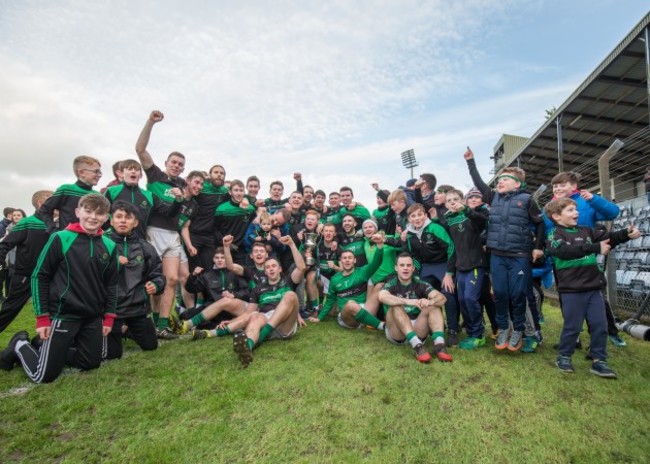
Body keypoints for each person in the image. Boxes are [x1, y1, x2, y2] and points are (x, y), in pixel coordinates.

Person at [0, 194, 118, 383]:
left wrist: (109, 317)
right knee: (43, 376)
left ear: (106, 217)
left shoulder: (110, 245)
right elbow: (40, 276)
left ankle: (47, 348)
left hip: (92, 316)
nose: (93, 217)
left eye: (99, 213)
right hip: (63, 314)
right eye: (88, 211)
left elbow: (111, 284)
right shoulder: (60, 238)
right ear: (78, 212)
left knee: (91, 363)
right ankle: (20, 344)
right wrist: (42, 318)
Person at [545, 197, 640, 378]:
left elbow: (609, 238)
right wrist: (595, 248)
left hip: (593, 289)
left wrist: (627, 233)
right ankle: (564, 356)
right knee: (572, 327)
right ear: (557, 216)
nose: (577, 213)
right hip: (571, 290)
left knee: (600, 325)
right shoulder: (554, 235)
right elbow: (563, 252)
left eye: (576, 209)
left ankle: (599, 361)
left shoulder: (587, 230)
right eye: (571, 210)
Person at [465, 147, 544, 352]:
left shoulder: (527, 200)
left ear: (517, 184)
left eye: (505, 179)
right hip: (497, 255)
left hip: (519, 255)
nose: (500, 182)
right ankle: (502, 328)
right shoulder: (493, 198)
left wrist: (537, 248)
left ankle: (518, 329)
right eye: (499, 179)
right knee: (499, 292)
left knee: (518, 294)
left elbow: (541, 224)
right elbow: (479, 183)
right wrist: (471, 162)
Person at [542, 171, 624, 347]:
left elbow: (613, 213)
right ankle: (574, 336)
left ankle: (609, 331)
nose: (557, 188)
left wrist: (594, 199)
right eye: (555, 186)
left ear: (574, 186)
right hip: (564, 258)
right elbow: (544, 227)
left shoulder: (586, 202)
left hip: (590, 255)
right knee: (566, 295)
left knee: (597, 294)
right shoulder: (551, 206)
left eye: (562, 185)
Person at [135, 110, 187, 339]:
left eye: (180, 164)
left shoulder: (182, 184)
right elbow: (140, 150)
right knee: (155, 280)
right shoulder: (155, 176)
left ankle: (163, 325)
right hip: (154, 231)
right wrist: (151, 122)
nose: (177, 166)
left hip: (173, 234)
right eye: (174, 162)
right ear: (166, 163)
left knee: (172, 279)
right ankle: (153, 321)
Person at [226, 235, 306, 367]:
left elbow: (302, 268)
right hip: (265, 320)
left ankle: (261, 336)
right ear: (265, 272)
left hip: (284, 326)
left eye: (274, 266)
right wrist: (235, 321)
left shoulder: (287, 280)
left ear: (280, 269)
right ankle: (247, 348)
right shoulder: (260, 288)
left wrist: (292, 244)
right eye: (268, 267)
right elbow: (250, 312)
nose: (271, 268)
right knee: (255, 316)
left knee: (290, 295)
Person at [104, 201, 165, 360]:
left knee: (151, 346)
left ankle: (126, 330)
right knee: (113, 355)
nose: (123, 221)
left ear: (135, 222)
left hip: (137, 306)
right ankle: (115, 329)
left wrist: (156, 284)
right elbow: (89, 273)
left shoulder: (145, 247)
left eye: (128, 217)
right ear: (111, 220)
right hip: (110, 309)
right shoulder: (100, 243)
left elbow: (157, 273)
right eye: (118, 217)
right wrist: (112, 263)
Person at [379, 253, 452, 362]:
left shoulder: (420, 283)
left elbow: (442, 298)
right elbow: (381, 296)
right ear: (396, 268)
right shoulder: (392, 283)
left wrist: (430, 301)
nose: (405, 268)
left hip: (418, 328)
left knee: (434, 306)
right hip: (397, 333)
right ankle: (417, 346)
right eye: (402, 265)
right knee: (395, 306)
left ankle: (439, 345)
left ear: (413, 268)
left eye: (408, 265)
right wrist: (408, 301)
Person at [0, 191, 52, 333]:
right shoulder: (28, 223)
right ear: (41, 203)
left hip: (48, 278)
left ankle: (48, 345)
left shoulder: (56, 225)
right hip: (25, 276)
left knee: (54, 311)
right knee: (9, 310)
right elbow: (5, 245)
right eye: (53, 199)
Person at [444, 188, 489, 350]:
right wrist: (450, 271)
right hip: (460, 267)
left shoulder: (471, 215)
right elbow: (451, 248)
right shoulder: (448, 221)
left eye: (455, 199)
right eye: (449, 201)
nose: (453, 202)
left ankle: (478, 335)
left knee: (470, 298)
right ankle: (471, 332)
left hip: (475, 265)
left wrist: (467, 210)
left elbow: (482, 221)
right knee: (462, 301)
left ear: (462, 200)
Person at [309, 238, 385, 330]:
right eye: (344, 258)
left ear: (355, 260)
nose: (347, 260)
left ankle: (373, 320)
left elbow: (376, 263)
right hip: (347, 316)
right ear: (341, 261)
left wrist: (380, 246)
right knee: (350, 304)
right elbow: (330, 300)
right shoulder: (335, 279)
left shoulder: (362, 272)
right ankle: (383, 326)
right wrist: (320, 318)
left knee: (379, 287)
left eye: (350, 258)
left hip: (364, 309)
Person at [178, 247, 250, 338]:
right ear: (213, 259)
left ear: (227, 259)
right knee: (185, 316)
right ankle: (210, 326)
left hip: (229, 309)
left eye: (222, 258)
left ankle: (212, 327)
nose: (219, 260)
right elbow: (190, 289)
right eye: (217, 258)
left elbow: (247, 292)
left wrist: (234, 295)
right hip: (210, 308)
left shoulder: (234, 273)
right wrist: (193, 275)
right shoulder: (207, 275)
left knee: (202, 323)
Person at [104, 159, 182, 239]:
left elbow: (170, 212)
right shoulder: (111, 191)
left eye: (137, 170)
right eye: (129, 169)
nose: (133, 171)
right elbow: (103, 214)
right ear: (121, 173)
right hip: (114, 240)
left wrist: (178, 200)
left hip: (138, 242)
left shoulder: (149, 196)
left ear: (141, 175)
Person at [39, 155, 103, 233]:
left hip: (90, 240)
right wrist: (52, 229)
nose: (99, 175)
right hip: (68, 240)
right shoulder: (66, 190)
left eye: (100, 172)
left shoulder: (98, 195)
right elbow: (44, 210)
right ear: (81, 172)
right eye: (96, 171)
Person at [188, 164, 230, 271]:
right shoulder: (201, 188)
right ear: (210, 175)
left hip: (210, 237)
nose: (219, 175)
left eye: (222, 173)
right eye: (216, 172)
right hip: (194, 234)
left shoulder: (224, 191)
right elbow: (187, 184)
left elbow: (237, 196)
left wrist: (245, 200)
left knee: (208, 269)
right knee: (193, 269)